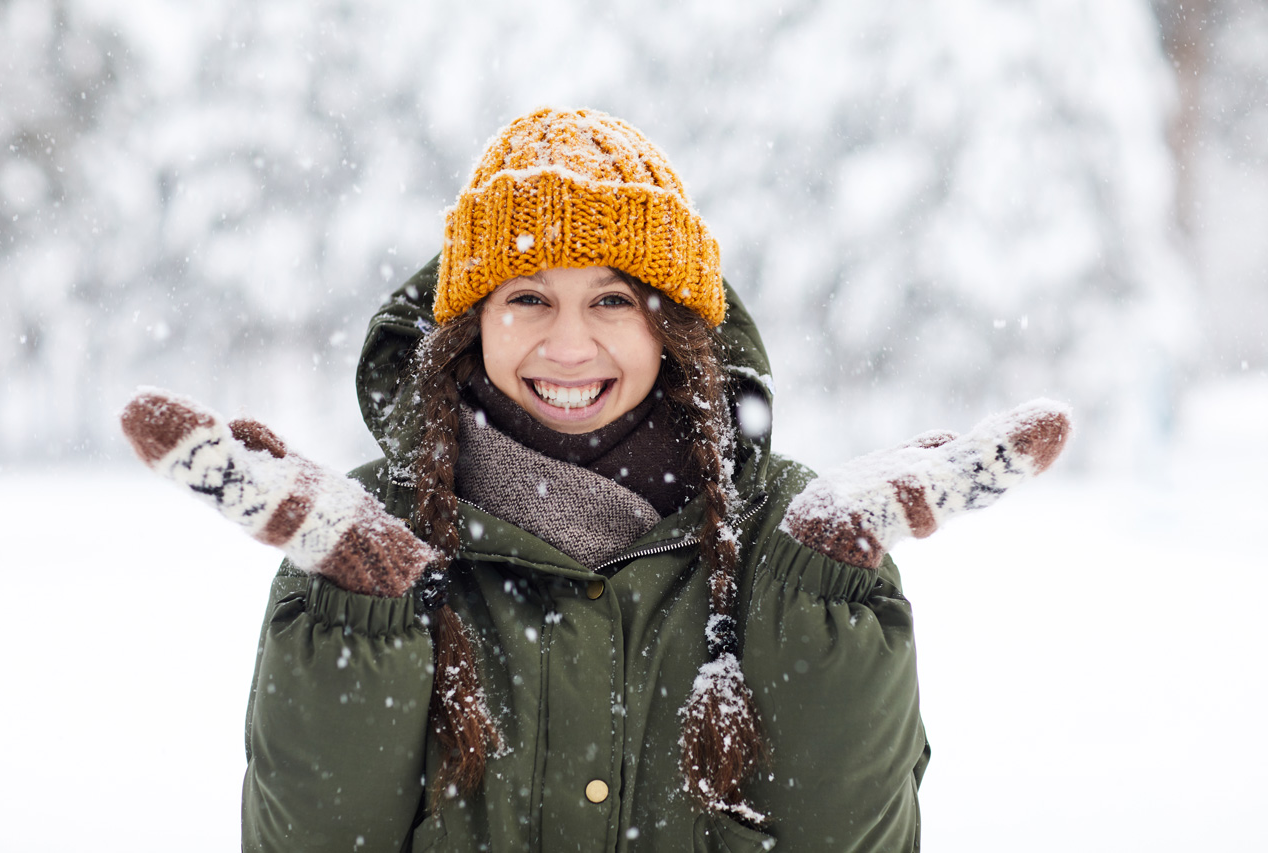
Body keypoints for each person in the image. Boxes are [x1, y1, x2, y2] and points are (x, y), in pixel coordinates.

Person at [120, 107, 1070, 852]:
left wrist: (828, 607)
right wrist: (348, 614)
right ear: (471, 325)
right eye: (527, 296)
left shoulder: (791, 537)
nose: (568, 343)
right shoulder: (371, 531)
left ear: (673, 325)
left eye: (613, 299)